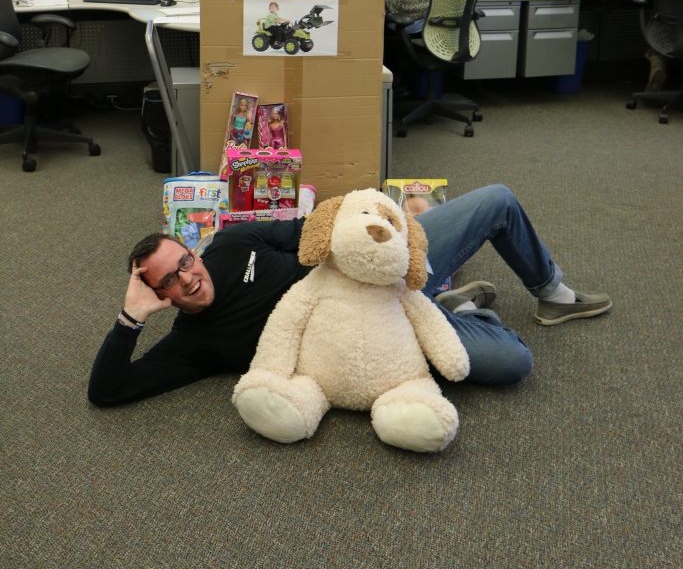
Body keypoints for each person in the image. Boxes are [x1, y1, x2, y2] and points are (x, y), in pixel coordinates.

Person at [88, 185, 611, 406]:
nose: (188, 279)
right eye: (168, 282)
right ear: (158, 295)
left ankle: (552, 292)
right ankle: (456, 308)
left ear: (193, 251)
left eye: (185, 262)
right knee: (513, 360)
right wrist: (129, 319)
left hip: (379, 266)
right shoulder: (190, 344)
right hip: (385, 332)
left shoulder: (228, 243)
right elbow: (108, 391)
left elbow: (315, 225)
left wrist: (381, 221)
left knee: (496, 199)